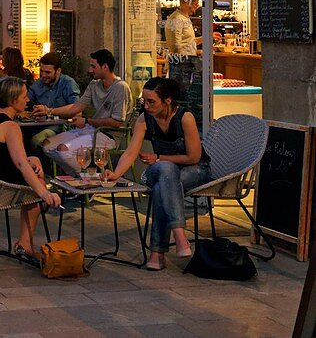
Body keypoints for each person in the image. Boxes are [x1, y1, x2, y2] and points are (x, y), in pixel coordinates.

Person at [103, 76, 210, 270]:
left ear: (168, 100)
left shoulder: (185, 118)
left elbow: (194, 157)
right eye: (145, 101)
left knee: (162, 185)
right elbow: (131, 151)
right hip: (165, 171)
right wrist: (116, 174)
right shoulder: (145, 119)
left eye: (152, 102)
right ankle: (179, 235)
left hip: (194, 170)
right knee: (165, 172)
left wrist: (159, 157)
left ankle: (157, 253)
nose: (147, 106)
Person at [0, 77, 62, 260]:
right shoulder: (10, 126)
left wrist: (31, 160)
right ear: (13, 100)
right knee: (36, 188)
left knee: (35, 166)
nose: (28, 99)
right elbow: (20, 163)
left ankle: (26, 241)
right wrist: (44, 193)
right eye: (24, 96)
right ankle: (25, 243)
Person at [41, 49, 134, 176]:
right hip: (91, 129)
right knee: (47, 145)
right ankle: (82, 177)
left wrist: (87, 121)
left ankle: (87, 181)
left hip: (109, 136)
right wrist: (48, 111)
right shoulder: (94, 84)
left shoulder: (120, 87)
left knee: (64, 150)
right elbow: (76, 107)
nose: (90, 70)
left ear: (105, 67)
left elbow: (117, 122)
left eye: (93, 66)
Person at [27, 51, 82, 148]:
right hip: (37, 124)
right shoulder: (38, 84)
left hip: (61, 127)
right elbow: (26, 102)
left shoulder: (68, 83)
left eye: (47, 72)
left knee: (37, 140)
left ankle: (43, 163)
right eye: (41, 71)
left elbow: (77, 111)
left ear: (58, 71)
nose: (43, 75)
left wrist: (49, 111)